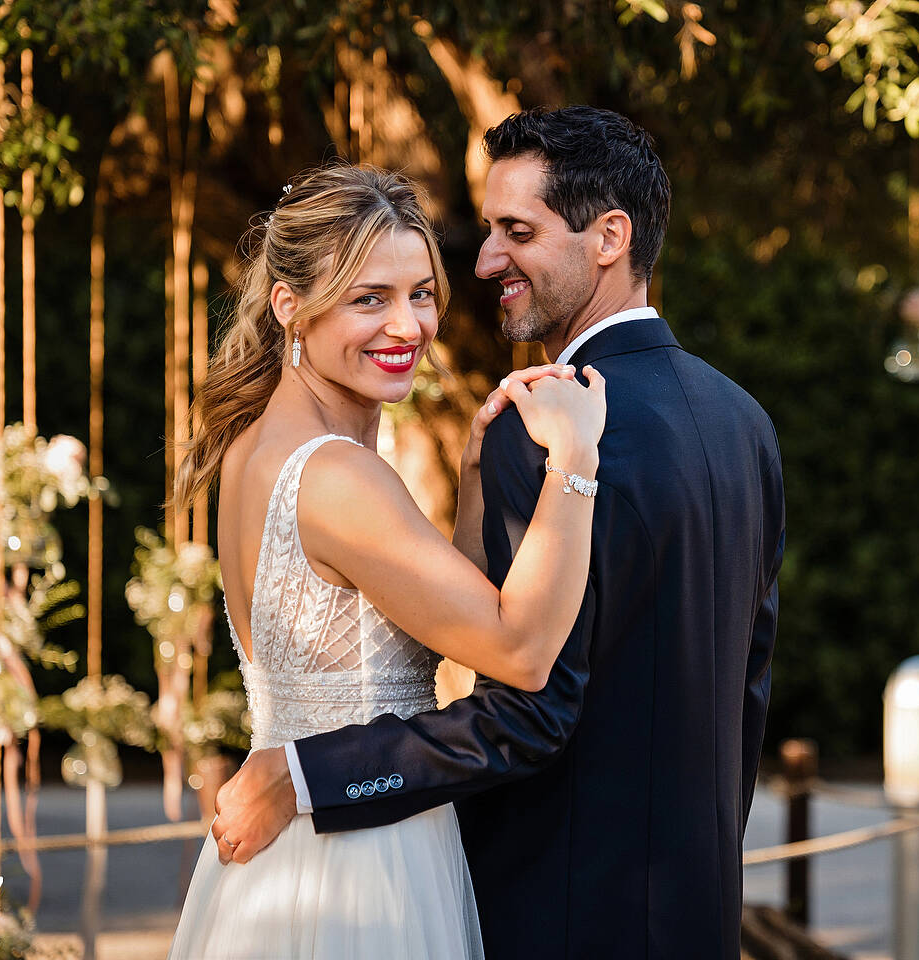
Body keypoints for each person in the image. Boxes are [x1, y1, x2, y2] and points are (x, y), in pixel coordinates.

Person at [214, 106, 785, 958]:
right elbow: (747, 686)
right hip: (692, 906)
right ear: (293, 307)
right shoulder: (743, 422)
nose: (482, 263)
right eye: (371, 298)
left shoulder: (544, 428)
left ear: (610, 237)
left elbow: (529, 705)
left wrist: (304, 777)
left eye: (514, 230)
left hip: (544, 908)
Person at [166, 162, 606, 959]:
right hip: (357, 861)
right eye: (369, 298)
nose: (407, 326)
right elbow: (521, 650)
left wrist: (473, 485)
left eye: (421, 293)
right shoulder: (338, 475)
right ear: (289, 306)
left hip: (303, 840)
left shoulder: (260, 446)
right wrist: (576, 457)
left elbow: (424, 624)